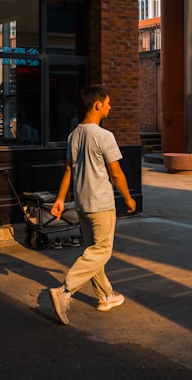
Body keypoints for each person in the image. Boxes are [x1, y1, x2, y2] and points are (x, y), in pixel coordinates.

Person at [48, 84, 137, 325]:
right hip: (101, 204)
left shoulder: (74, 134)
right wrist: (128, 198)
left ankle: (105, 296)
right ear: (98, 105)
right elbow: (116, 173)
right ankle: (65, 290)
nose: (110, 107)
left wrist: (59, 199)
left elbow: (68, 169)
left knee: (92, 252)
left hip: (82, 204)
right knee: (101, 251)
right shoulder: (104, 136)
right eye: (108, 103)